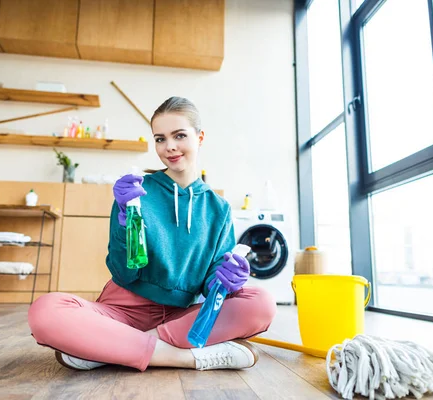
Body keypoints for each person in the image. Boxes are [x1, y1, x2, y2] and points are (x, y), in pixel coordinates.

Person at [28, 96, 276, 372]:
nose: (169, 147)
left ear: (200, 137)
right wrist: (124, 219)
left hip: (180, 318)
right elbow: (124, 273)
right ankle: (185, 358)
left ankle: (108, 349)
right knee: (46, 310)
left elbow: (210, 288)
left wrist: (229, 281)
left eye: (179, 135)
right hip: (121, 313)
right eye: (160, 139)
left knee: (261, 304)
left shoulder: (219, 210)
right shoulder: (135, 192)